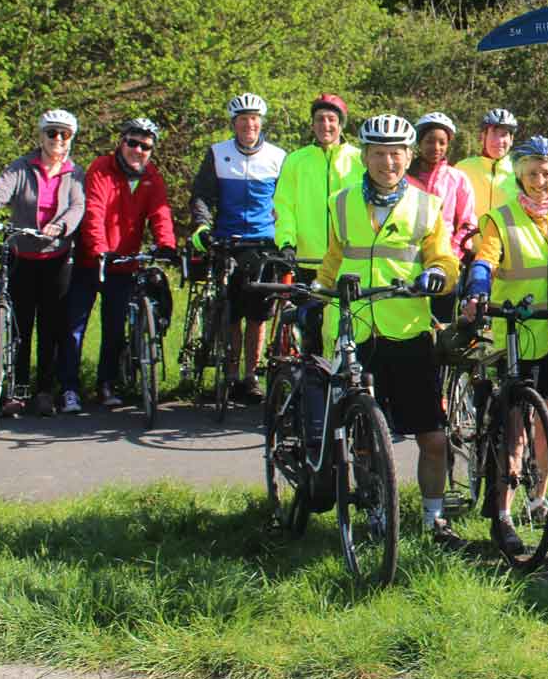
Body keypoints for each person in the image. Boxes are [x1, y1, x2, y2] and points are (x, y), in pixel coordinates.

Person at [316, 115, 461, 543]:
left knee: (433, 437)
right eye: (379, 153)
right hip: (356, 330)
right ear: (364, 155)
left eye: (396, 153)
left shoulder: (427, 205)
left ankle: (434, 516)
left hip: (409, 331)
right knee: (361, 436)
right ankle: (374, 504)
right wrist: (315, 291)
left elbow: (446, 259)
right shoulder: (341, 203)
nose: (388, 161)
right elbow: (334, 258)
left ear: (408, 155)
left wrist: (439, 274)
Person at [463, 136, 548, 553]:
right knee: (514, 431)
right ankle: (503, 513)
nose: (540, 180)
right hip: (519, 332)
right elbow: (486, 257)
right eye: (532, 173)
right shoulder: (500, 217)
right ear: (520, 175)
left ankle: (541, 500)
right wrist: (478, 289)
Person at [0, 110, 86, 418]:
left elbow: (78, 206)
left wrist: (61, 226)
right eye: (52, 133)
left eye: (64, 134)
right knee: (19, 326)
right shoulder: (21, 167)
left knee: (51, 329)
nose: (57, 139)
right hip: (22, 259)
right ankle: (17, 390)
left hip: (57, 259)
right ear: (40, 136)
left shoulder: (75, 173)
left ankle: (43, 392)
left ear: (71, 139)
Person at [67, 118, 176, 411]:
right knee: (75, 327)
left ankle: (106, 384)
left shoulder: (151, 176)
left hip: (124, 263)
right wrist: (100, 249)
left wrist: (167, 244)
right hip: (92, 261)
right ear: (121, 141)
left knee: (114, 329)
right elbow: (94, 212)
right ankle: (69, 388)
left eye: (146, 146)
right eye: (133, 143)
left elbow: (160, 213)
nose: (138, 150)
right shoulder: (101, 167)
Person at [189, 92, 286, 405]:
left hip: (263, 242)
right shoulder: (217, 153)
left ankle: (251, 376)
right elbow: (202, 195)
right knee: (231, 312)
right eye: (243, 120)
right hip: (227, 241)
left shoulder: (278, 156)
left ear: (261, 123)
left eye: (254, 120)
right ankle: (231, 375)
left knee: (258, 315)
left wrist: (286, 235)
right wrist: (203, 226)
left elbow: (286, 203)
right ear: (234, 123)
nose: (249, 125)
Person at [273, 94, 363, 351]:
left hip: (347, 259)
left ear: (341, 124)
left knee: (348, 329)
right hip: (307, 260)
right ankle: (310, 383)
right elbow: (284, 206)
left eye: (332, 119)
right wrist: (287, 242)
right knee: (310, 328)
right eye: (320, 119)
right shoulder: (296, 160)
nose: (326, 125)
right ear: (312, 124)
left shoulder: (359, 159)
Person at [407, 112, 477, 321]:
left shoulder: (457, 179)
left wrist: (452, 255)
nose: (436, 148)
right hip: (408, 260)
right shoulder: (405, 178)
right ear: (419, 142)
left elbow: (467, 223)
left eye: (442, 142)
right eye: (429, 141)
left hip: (446, 262)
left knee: (443, 322)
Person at [456, 108, 518, 225]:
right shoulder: (462, 168)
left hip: (507, 241)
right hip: (469, 241)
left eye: (504, 135)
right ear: (483, 137)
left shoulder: (520, 171)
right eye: (493, 134)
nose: (499, 141)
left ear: (511, 140)